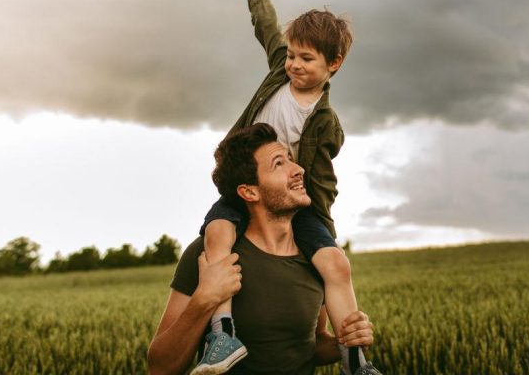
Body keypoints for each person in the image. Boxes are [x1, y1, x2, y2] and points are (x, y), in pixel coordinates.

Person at [191, 0, 381, 375]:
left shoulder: (327, 124)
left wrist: (321, 230)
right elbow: (265, 23)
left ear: (333, 64)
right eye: (293, 54)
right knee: (217, 232)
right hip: (247, 184)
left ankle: (355, 359)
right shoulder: (280, 68)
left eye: (306, 59)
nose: (294, 64)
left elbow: (323, 183)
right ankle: (222, 336)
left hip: (295, 201)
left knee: (335, 263)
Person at [147, 123, 378, 375]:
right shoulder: (208, 255)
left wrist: (346, 340)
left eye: (291, 160)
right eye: (279, 164)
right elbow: (160, 368)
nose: (298, 169)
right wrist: (205, 297)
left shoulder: (318, 260)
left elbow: (311, 347)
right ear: (249, 191)